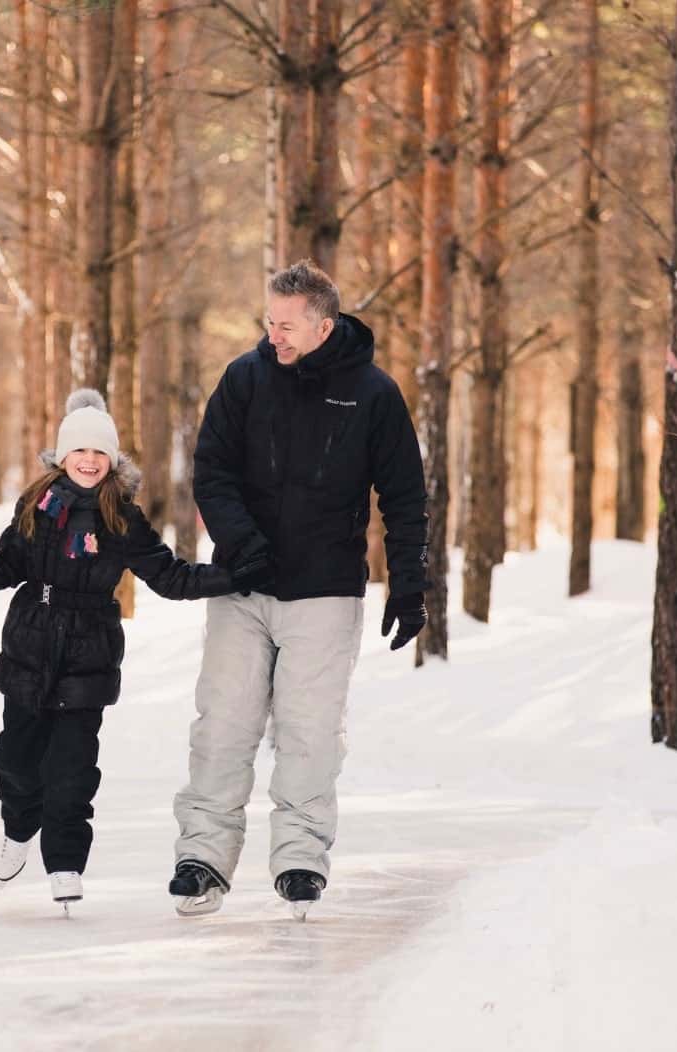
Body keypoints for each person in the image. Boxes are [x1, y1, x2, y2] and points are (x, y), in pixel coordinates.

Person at [169, 259, 430, 920]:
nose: (273, 335)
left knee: (309, 731)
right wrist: (243, 545)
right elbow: (211, 470)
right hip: (243, 587)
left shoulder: (373, 393)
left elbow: (404, 498)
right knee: (223, 723)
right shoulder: (245, 379)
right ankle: (202, 856)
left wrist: (408, 584)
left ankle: (300, 860)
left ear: (323, 324)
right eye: (269, 322)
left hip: (324, 590)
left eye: (286, 325)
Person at [0, 390, 243, 912]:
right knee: (14, 759)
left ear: (111, 461)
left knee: (73, 770)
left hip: (88, 655)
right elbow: (7, 564)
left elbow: (170, 576)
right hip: (29, 649)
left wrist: (232, 577)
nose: (89, 461)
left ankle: (65, 863)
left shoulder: (122, 518)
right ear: (63, 458)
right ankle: (19, 825)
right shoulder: (36, 507)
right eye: (79, 452)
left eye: (99, 453)